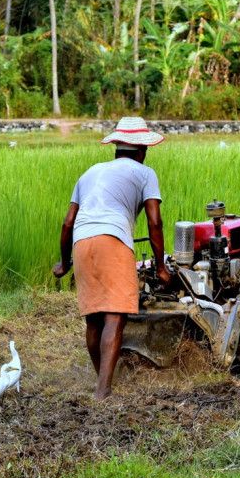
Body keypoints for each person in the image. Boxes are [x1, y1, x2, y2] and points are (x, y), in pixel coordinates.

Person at [54, 117, 170, 401]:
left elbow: (68, 223)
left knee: (93, 319)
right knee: (114, 316)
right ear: (142, 149)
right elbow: (155, 222)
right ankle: (104, 390)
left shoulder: (90, 172)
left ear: (116, 147)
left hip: (82, 241)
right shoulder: (145, 172)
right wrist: (161, 267)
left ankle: (103, 380)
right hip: (113, 240)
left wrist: (65, 262)